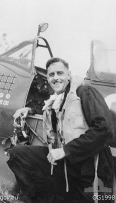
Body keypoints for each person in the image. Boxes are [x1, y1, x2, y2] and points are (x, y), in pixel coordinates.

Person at [7, 57, 114, 203]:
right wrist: (29, 109)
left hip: (93, 167)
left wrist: (65, 150)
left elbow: (104, 130)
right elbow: (59, 114)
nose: (55, 78)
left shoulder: (85, 92)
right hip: (69, 166)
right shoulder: (59, 99)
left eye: (60, 73)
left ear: (69, 75)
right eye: (51, 75)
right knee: (19, 154)